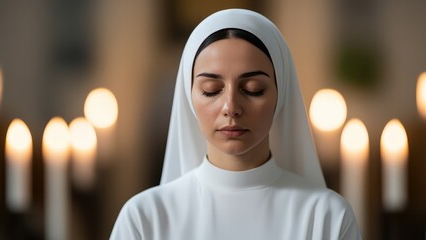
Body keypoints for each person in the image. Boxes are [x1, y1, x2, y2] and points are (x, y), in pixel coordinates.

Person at [110, 9, 361, 240]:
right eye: (211, 90)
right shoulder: (144, 219)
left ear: (280, 94)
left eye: (253, 89)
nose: (231, 107)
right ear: (189, 97)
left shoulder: (326, 217)